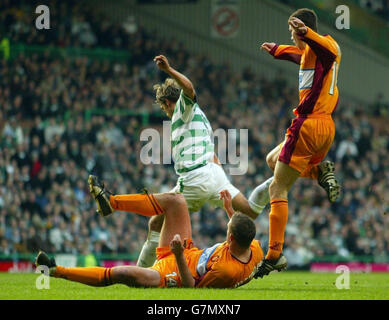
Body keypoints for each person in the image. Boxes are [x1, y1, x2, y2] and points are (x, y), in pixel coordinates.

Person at [92, 54, 272, 268]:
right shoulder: (199, 116)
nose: (166, 112)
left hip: (196, 177)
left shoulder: (182, 109)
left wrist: (168, 70)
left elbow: (188, 88)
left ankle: (115, 208)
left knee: (157, 220)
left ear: (168, 102)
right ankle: (276, 180)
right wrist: (218, 174)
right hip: (214, 173)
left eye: (164, 107)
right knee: (249, 210)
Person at [255, 8, 342, 277]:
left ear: (302, 30)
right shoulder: (310, 55)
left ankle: (274, 255)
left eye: (292, 33)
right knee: (272, 160)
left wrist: (306, 33)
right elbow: (297, 54)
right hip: (326, 128)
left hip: (308, 125)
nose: (291, 37)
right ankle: (319, 172)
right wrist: (276, 50)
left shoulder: (325, 46)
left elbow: (328, 50)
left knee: (278, 189)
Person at [35, 189, 264, 289]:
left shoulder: (226, 270)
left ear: (231, 239)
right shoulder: (253, 246)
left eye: (227, 229)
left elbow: (191, 287)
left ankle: (55, 270)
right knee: (176, 200)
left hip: (173, 273)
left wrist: (177, 255)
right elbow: (238, 230)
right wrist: (229, 210)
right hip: (187, 252)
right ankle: (112, 202)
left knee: (123, 273)